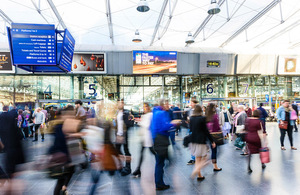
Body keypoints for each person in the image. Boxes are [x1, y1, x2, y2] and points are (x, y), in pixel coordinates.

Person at [151, 99, 177, 191]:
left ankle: (159, 182)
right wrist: (173, 124)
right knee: (160, 163)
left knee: (159, 163)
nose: (168, 105)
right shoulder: (161, 113)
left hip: (157, 140)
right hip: (161, 139)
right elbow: (164, 127)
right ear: (162, 105)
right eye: (166, 104)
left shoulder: (155, 112)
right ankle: (159, 183)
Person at [190, 105, 215, 180]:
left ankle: (199, 175)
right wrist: (212, 141)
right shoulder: (202, 118)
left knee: (198, 158)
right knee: (205, 157)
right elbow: (206, 131)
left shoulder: (191, 118)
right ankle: (196, 170)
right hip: (201, 140)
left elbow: (190, 129)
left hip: (193, 140)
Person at [0, 106, 25, 179]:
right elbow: (19, 136)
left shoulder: (1, 117)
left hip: (7, 147)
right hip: (14, 148)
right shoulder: (11, 120)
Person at [132, 103, 156, 177]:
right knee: (142, 153)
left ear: (148, 107)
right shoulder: (145, 115)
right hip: (144, 138)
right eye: (144, 107)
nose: (144, 108)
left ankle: (162, 162)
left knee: (154, 152)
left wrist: (141, 124)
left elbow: (148, 125)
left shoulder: (151, 115)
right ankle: (138, 169)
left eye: (146, 106)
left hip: (149, 138)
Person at [115, 99, 134, 176]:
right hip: (118, 135)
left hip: (124, 136)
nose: (120, 105)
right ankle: (120, 166)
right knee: (117, 151)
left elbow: (131, 122)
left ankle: (128, 167)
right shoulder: (116, 113)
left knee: (127, 151)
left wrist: (126, 126)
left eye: (121, 103)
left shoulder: (126, 112)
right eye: (119, 103)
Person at [206, 103, 222, 171]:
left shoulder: (206, 116)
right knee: (216, 151)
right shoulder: (215, 116)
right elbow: (217, 126)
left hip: (208, 135)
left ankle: (213, 163)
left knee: (212, 150)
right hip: (215, 135)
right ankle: (214, 165)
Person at [187, 99, 198, 165]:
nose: (190, 104)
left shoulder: (198, 110)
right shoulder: (190, 110)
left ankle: (196, 157)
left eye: (192, 103)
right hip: (190, 128)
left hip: (196, 129)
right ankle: (193, 158)